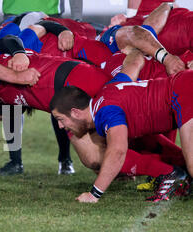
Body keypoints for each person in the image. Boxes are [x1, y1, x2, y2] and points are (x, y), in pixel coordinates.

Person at [49, 50, 193, 203]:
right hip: (183, 86)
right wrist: (132, 50)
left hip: (183, 94)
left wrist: (94, 194)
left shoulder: (105, 111)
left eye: (60, 119)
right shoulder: (108, 90)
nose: (59, 126)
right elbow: (134, 62)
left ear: (75, 112)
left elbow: (117, 151)